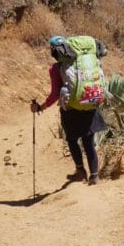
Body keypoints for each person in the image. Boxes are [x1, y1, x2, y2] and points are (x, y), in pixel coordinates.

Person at [31, 35, 106, 185]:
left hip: (71, 109)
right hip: (90, 104)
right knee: (88, 142)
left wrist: (40, 107)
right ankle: (94, 176)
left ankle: (80, 171)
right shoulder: (88, 61)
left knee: (72, 140)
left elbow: (54, 95)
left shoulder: (56, 68)